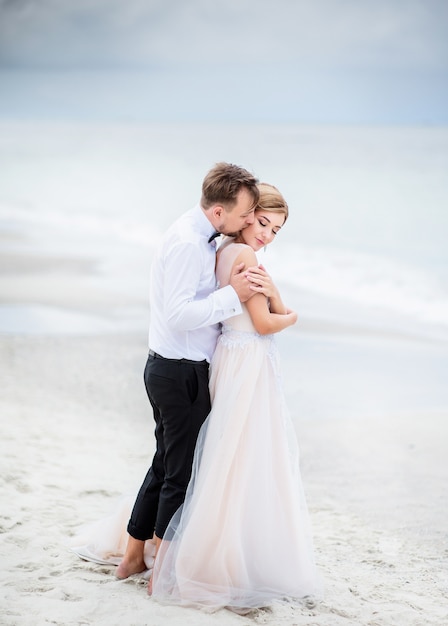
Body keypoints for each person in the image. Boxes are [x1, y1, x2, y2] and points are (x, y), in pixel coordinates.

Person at [151, 183, 321, 611]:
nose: (267, 234)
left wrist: (278, 298)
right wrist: (294, 314)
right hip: (247, 364)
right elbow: (266, 322)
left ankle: (169, 547)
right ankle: (226, 553)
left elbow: (257, 307)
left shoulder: (222, 249)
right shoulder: (244, 257)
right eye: (262, 222)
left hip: (229, 358)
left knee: (222, 456)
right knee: (243, 459)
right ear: (246, 216)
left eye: (276, 230)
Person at [114, 162, 261, 580]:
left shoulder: (196, 233)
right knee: (179, 474)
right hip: (179, 373)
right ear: (219, 213)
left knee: (164, 466)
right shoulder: (189, 245)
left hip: (171, 368)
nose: (249, 221)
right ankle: (162, 571)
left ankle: (131, 560)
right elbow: (179, 315)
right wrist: (233, 296)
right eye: (245, 213)